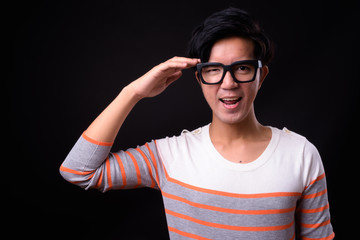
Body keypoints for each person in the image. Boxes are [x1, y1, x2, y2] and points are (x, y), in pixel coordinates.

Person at [60, 7, 334, 239]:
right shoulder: (169, 156)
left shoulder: (301, 154)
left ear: (260, 76)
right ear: (199, 78)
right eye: (213, 70)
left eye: (242, 68)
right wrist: (132, 92)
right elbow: (79, 171)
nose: (229, 83)